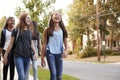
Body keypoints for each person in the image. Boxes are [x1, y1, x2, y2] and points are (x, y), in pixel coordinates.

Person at [3, 13, 37, 80]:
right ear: (23, 19)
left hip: (27, 56)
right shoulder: (16, 30)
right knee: (21, 76)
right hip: (18, 56)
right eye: (27, 18)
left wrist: (35, 52)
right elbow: (11, 44)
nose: (29, 19)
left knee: (24, 77)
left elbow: (31, 44)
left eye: (29, 18)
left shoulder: (30, 31)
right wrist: (5, 55)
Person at [41, 11, 68, 80]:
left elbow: (65, 42)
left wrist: (66, 50)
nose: (57, 16)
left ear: (61, 18)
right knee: (53, 73)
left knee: (59, 76)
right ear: (52, 17)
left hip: (59, 53)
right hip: (50, 53)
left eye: (59, 15)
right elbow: (44, 44)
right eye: (55, 14)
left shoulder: (63, 30)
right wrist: (42, 58)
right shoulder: (47, 30)